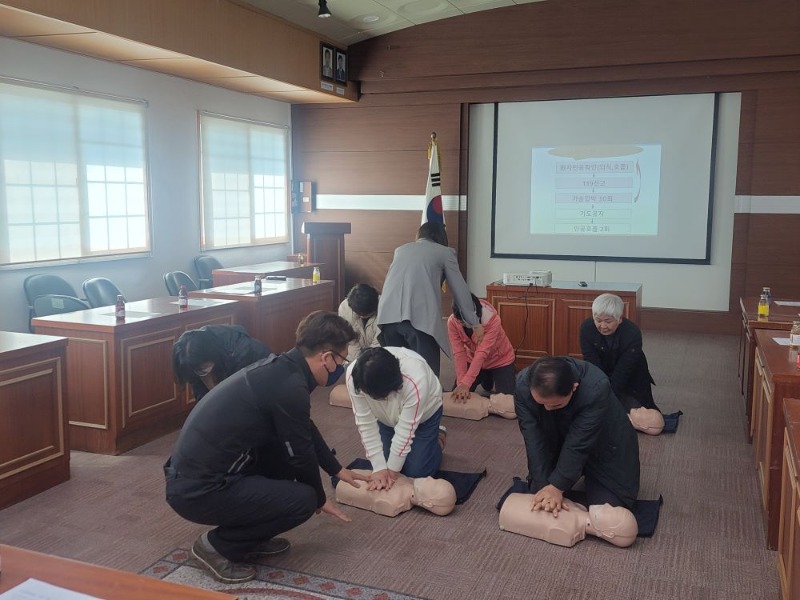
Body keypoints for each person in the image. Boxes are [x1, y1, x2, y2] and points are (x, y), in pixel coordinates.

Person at [164, 311, 369, 584]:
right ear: (327, 358)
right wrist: (319, 499)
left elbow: (302, 427)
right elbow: (301, 454)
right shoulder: (289, 384)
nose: (340, 367)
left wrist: (336, 468)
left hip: (199, 476)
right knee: (303, 500)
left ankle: (250, 535)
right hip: (197, 489)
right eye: (342, 359)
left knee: (284, 462)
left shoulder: (283, 370)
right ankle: (216, 546)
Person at [514, 356, 640, 516]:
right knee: (539, 494)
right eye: (541, 403)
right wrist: (543, 486)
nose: (547, 409)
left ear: (574, 387)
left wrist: (557, 486)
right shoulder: (523, 385)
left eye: (556, 404)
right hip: (556, 436)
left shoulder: (595, 387)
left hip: (603, 442)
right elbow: (533, 438)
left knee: (610, 510)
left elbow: (578, 443)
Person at [377, 222, 483, 376]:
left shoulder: (400, 250)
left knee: (397, 374)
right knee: (427, 376)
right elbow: (461, 291)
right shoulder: (445, 253)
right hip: (419, 322)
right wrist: (474, 323)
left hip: (387, 320)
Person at [346, 346, 444, 491]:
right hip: (385, 419)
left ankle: (438, 440)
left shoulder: (416, 379)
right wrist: (379, 468)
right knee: (385, 463)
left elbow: (405, 433)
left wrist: (391, 474)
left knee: (416, 473)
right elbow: (365, 424)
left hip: (425, 416)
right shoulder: (355, 377)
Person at [579, 293, 663, 434]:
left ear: (619, 319)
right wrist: (600, 391)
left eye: (608, 321)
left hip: (631, 378)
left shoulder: (632, 333)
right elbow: (591, 362)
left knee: (653, 422)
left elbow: (624, 371)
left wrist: (607, 398)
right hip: (600, 375)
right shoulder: (587, 328)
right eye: (598, 320)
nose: (603, 326)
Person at [172, 324, 272, 401]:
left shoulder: (244, 351)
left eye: (203, 369)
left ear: (211, 355)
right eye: (198, 370)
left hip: (262, 390)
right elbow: (202, 397)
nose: (201, 373)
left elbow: (234, 400)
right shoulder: (192, 355)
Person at [499, 494, 637, 548]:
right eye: (613, 508)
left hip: (508, 513)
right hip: (517, 503)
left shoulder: (568, 532)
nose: (607, 506)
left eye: (611, 513)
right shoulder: (579, 508)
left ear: (609, 534)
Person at [447, 293, 515, 401]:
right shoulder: (452, 322)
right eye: (459, 321)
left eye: (464, 322)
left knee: (508, 402)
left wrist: (467, 383)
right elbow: (459, 353)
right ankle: (484, 375)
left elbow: (482, 352)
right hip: (473, 358)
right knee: (458, 394)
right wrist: (462, 383)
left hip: (500, 360)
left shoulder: (493, 321)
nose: (461, 323)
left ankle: (488, 375)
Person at [336, 469, 456, 517]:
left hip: (344, 484)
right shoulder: (408, 481)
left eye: (433, 484)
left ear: (428, 503)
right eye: (435, 479)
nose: (430, 478)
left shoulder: (394, 503)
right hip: (351, 474)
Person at [338, 283, 381, 363]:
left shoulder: (383, 309)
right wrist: (355, 364)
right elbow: (351, 342)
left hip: (377, 354)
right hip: (353, 353)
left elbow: (378, 344)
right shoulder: (345, 309)